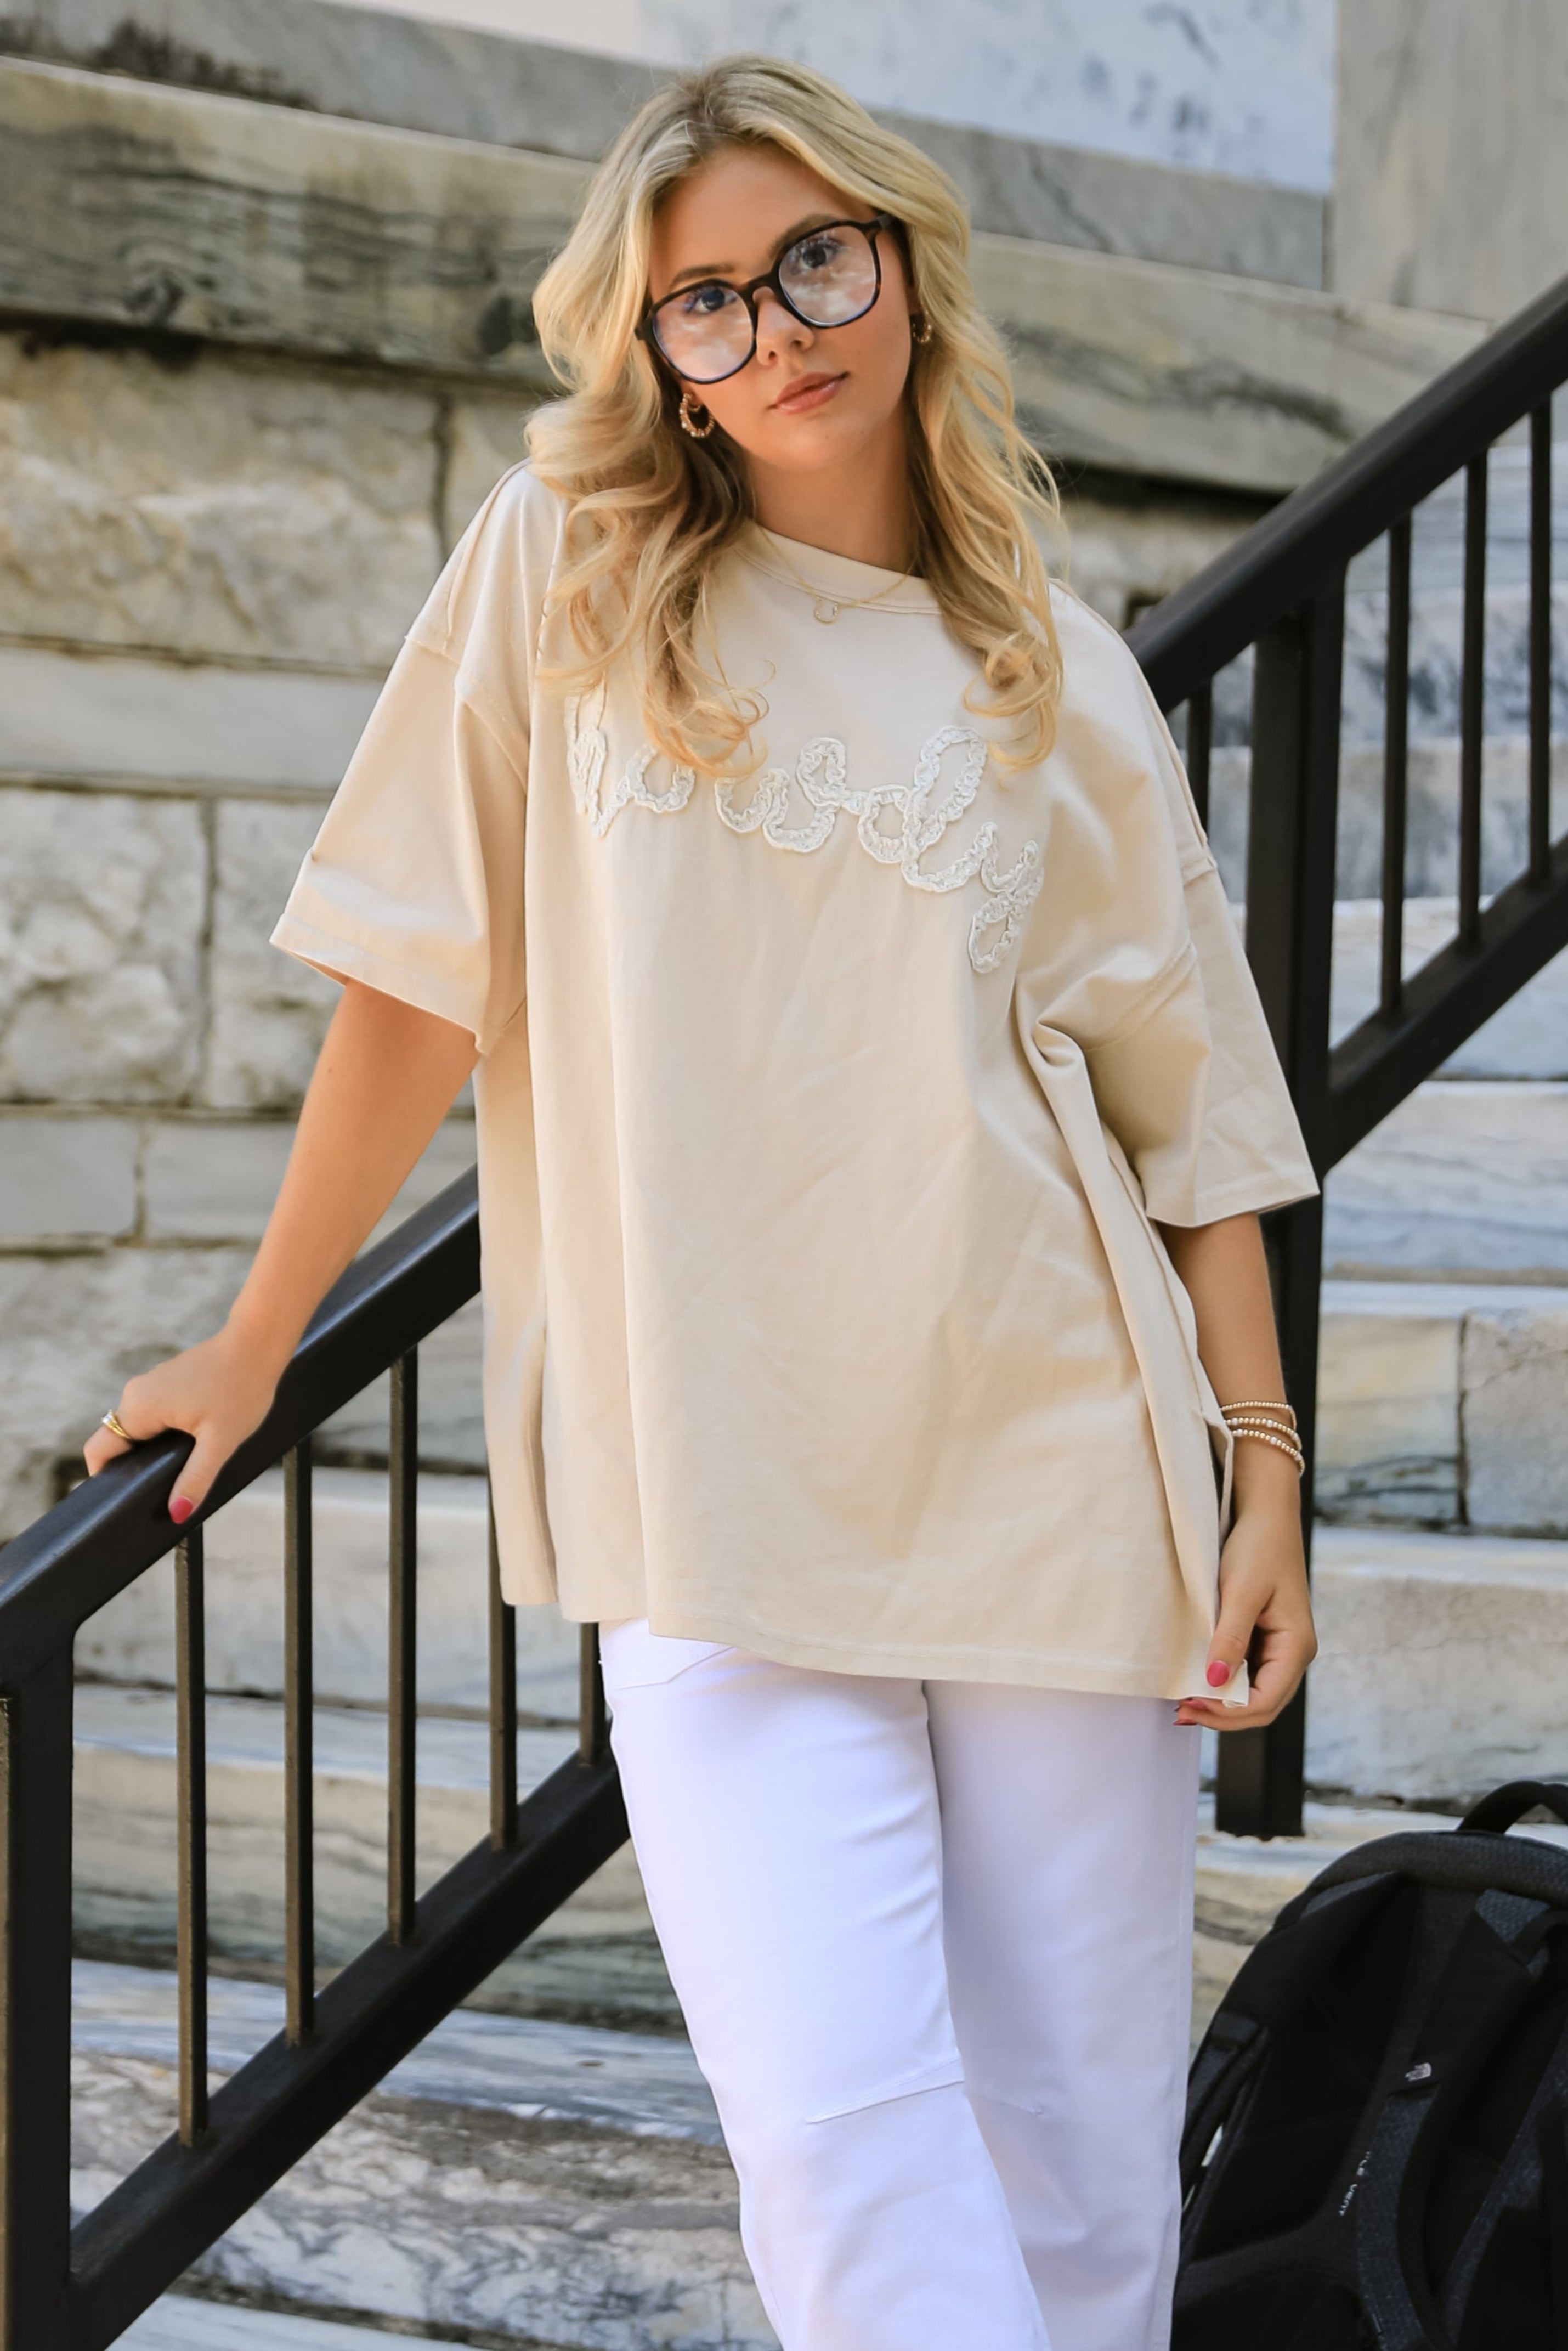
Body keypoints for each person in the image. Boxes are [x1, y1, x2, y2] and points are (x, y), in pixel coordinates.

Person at [86, 54, 1319, 2351]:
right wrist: (253, 1341)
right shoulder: (568, 571)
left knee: (1072, 2172)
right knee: (844, 2153)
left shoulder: (1046, 667)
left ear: (900, 260)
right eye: (708, 306)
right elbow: (408, 990)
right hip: (715, 1497)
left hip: (1063, 1485)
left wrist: (1261, 1473)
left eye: (811, 265)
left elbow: (1189, 1124)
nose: (776, 335)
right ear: (650, 348)